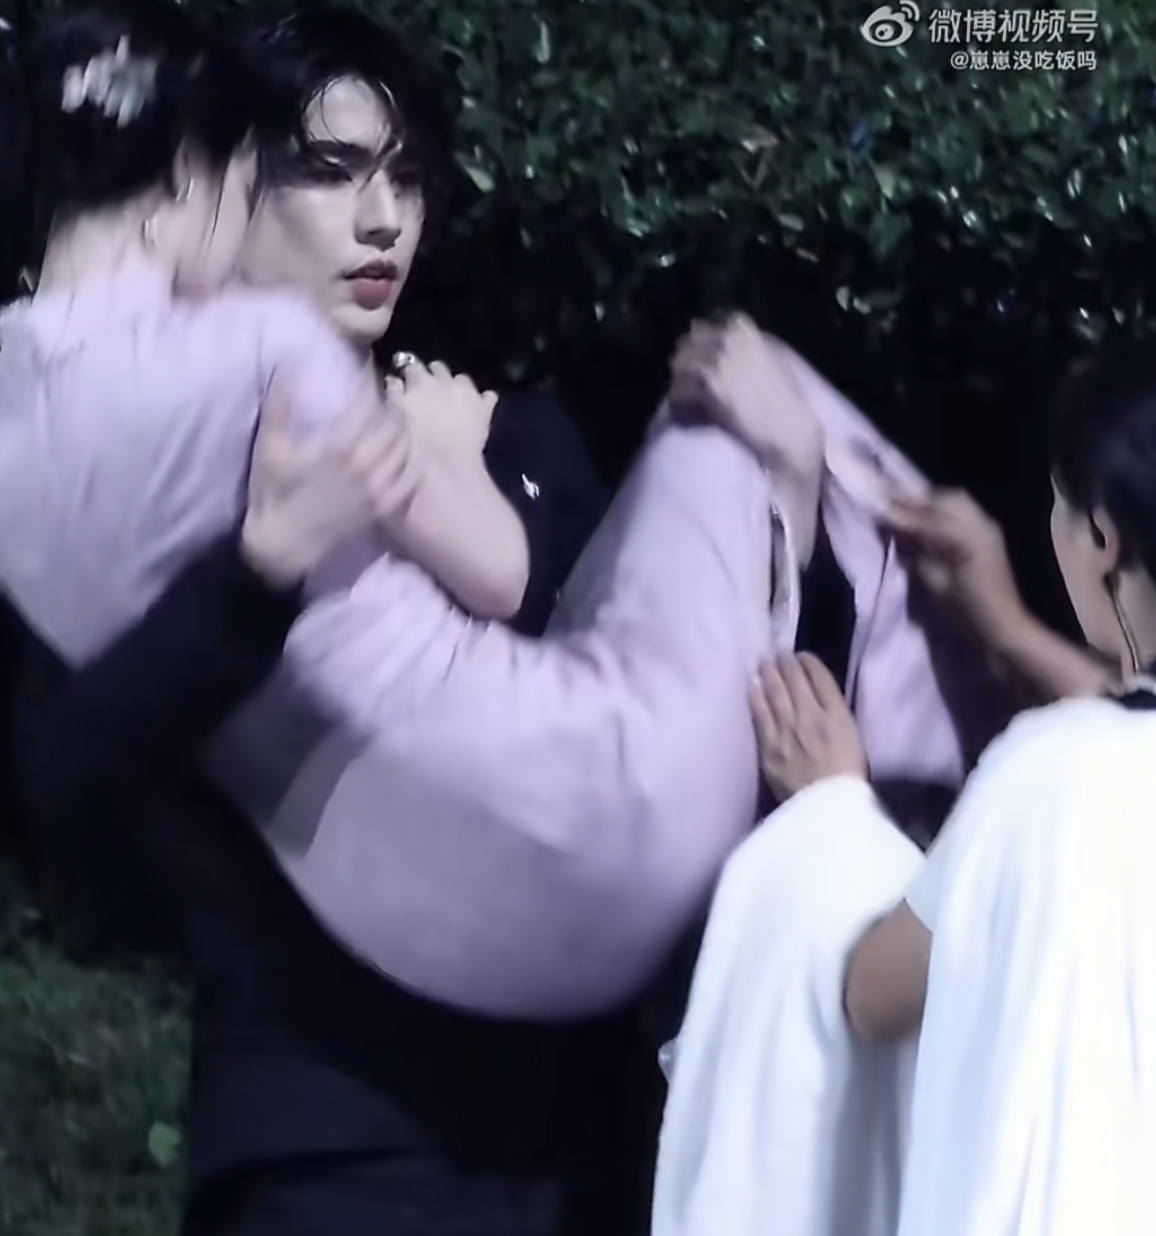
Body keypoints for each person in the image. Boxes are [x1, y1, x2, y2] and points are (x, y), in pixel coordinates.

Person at [0, 4, 829, 1232]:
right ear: (216, 189)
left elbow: (711, 733)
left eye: (405, 179)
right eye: (329, 173)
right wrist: (259, 574)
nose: (381, 219)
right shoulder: (134, 492)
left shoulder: (517, 438)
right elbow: (61, 781)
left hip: (578, 1158)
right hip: (333, 1148)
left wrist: (790, 494)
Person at [746, 343, 1156, 1235]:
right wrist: (1006, 628)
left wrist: (831, 809)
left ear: (1101, 540)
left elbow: (873, 993)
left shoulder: (1048, 778)